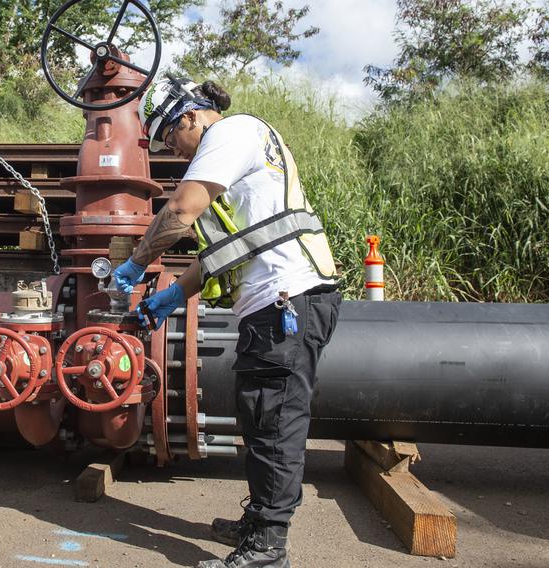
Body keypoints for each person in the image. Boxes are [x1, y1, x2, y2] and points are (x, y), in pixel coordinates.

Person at [113, 76, 342, 568]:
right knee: (261, 418)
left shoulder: (230, 134)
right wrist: (173, 294)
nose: (175, 152)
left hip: (286, 300)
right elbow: (226, 253)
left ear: (190, 116)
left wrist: (135, 262)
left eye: (172, 139)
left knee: (275, 422)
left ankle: (267, 547)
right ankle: (261, 519)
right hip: (279, 301)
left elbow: (179, 209)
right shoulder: (238, 156)